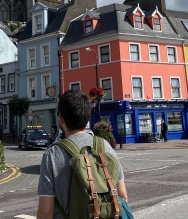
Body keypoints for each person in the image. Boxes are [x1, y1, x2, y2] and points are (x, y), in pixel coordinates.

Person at [37, 90, 128, 219]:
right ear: (87, 117)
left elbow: (46, 213)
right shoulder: (105, 146)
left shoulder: (52, 154)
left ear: (61, 118)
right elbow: (122, 195)